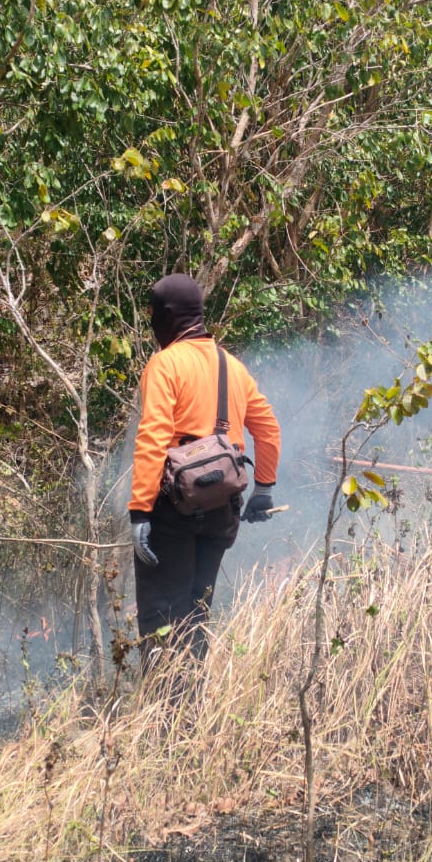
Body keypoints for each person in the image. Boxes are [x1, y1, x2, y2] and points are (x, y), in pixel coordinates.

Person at [128, 274, 281, 661]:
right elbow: (268, 430)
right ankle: (194, 712)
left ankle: (166, 715)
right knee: (197, 612)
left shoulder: (164, 364)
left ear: (166, 315)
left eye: (152, 316)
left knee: (163, 617)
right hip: (221, 510)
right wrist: (263, 489)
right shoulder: (232, 366)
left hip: (171, 512)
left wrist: (140, 512)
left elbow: (153, 438)